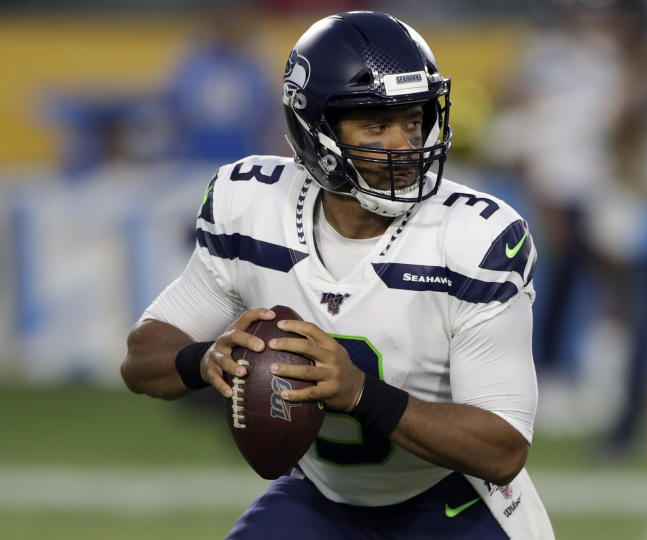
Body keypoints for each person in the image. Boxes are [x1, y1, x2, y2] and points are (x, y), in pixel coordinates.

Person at [120, 11, 554, 539]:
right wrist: (203, 359)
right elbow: (141, 358)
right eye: (376, 124)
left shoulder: (473, 236)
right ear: (315, 128)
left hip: (454, 502)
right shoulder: (253, 205)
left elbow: (503, 447)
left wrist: (359, 395)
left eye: (414, 120)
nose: (404, 144)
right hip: (323, 499)